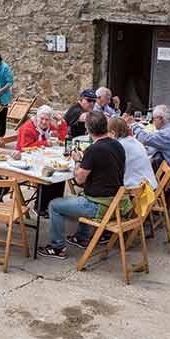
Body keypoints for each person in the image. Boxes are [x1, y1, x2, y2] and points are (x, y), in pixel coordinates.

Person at [38, 111, 126, 259]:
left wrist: (78, 160)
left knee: (54, 205)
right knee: (82, 194)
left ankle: (57, 247)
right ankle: (81, 237)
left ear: (88, 129)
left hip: (100, 205)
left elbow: (79, 179)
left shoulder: (94, 149)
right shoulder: (117, 145)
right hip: (116, 202)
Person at [16, 105, 68, 214]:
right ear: (36, 117)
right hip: (25, 162)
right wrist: (44, 143)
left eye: (47, 120)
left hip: (43, 158)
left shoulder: (49, 127)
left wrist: (61, 121)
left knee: (59, 173)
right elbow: (24, 148)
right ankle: (40, 207)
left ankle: (55, 205)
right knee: (48, 173)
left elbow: (62, 137)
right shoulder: (28, 128)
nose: (44, 122)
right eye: (42, 119)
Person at [126, 105, 170, 175]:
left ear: (161, 119)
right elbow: (152, 149)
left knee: (135, 170)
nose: (152, 122)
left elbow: (144, 138)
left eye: (153, 119)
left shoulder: (168, 133)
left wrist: (133, 124)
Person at [108, 117, 157, 190]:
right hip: (149, 184)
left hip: (138, 189)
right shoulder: (134, 141)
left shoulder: (119, 146)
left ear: (113, 133)